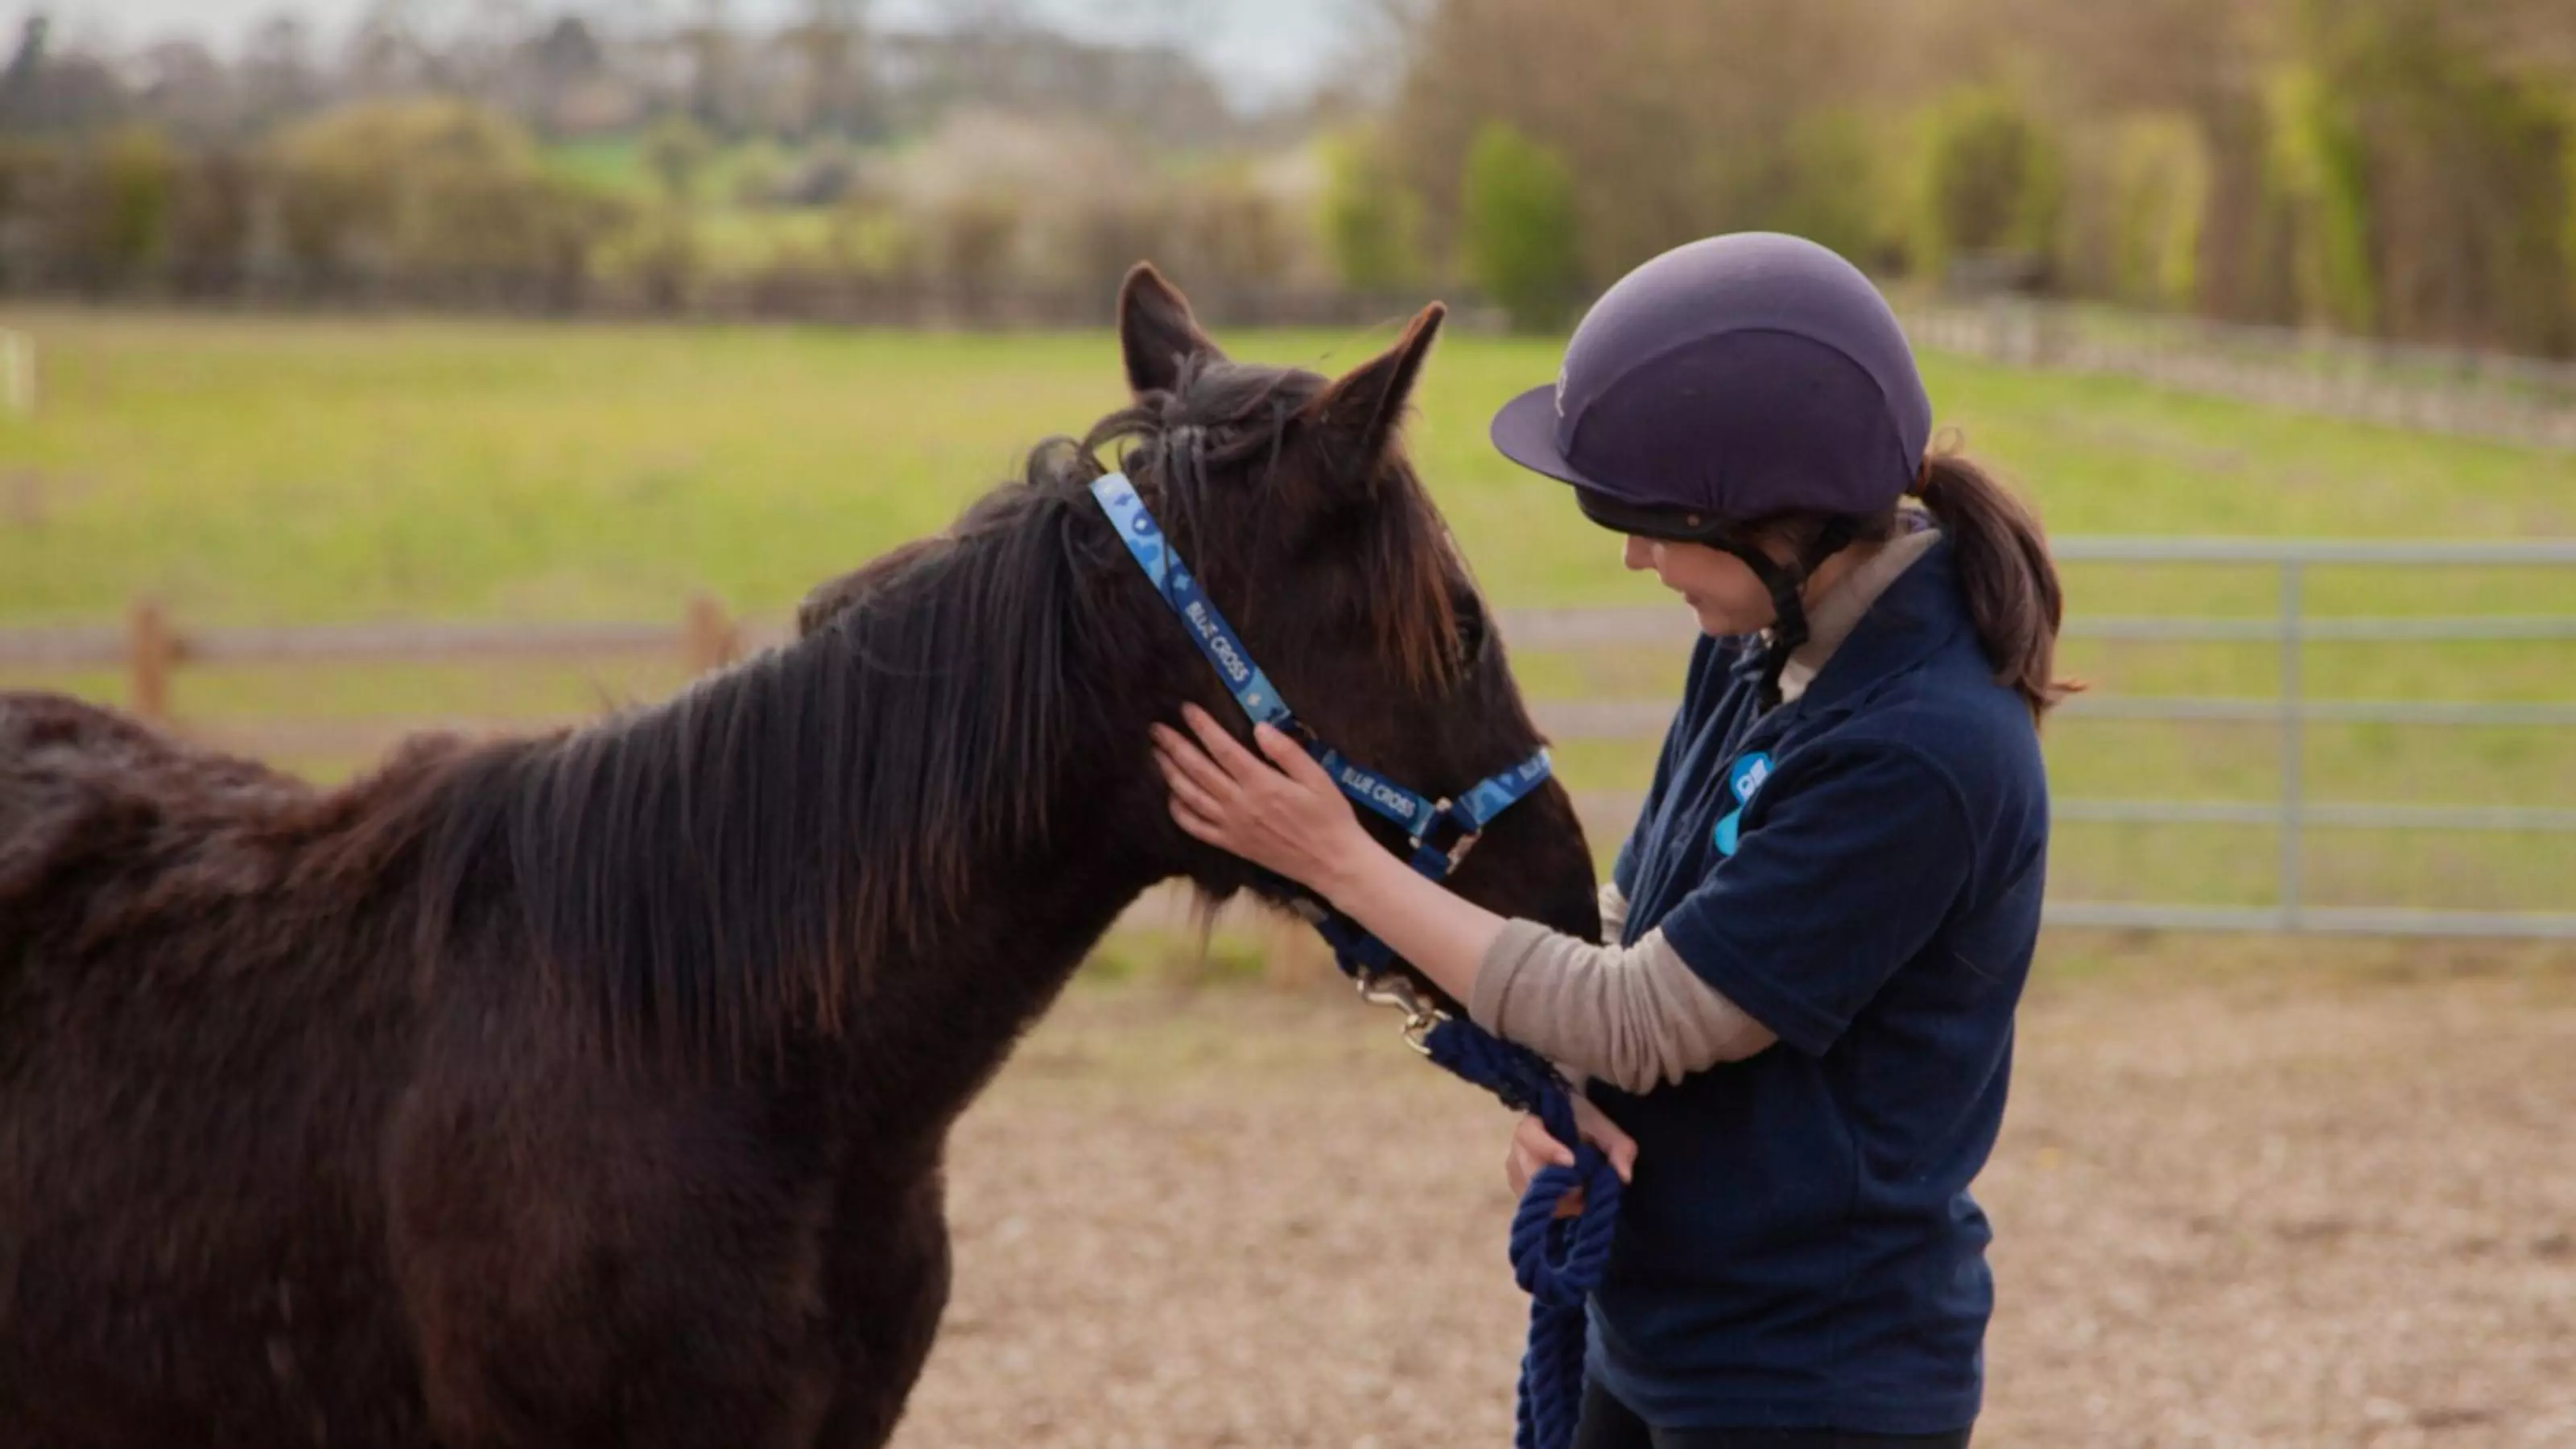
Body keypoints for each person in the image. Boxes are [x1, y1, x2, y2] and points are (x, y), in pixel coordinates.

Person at [1151, 231, 2070, 1448]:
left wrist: (1335, 860)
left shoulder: (1920, 749)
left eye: (1652, 524)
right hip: (1662, 1321)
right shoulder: (1757, 646)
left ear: (1772, 518)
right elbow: (1640, 922)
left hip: (1804, 1379)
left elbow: (1646, 1015)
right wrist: (1561, 1092)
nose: (1636, 556)